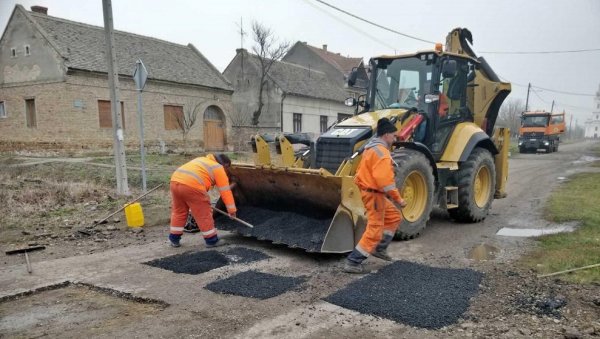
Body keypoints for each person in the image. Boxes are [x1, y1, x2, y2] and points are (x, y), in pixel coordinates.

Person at [344, 118, 407, 274]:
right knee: (375, 229)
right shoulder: (382, 153)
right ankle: (353, 261)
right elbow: (385, 182)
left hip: (370, 192)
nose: (394, 139)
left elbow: (361, 172)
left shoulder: (371, 149)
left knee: (393, 216)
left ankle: (379, 248)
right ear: (386, 135)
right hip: (374, 195)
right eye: (393, 135)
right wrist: (399, 199)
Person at [168, 153, 236, 248]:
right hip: (193, 186)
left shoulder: (201, 160)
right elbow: (225, 192)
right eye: (227, 168)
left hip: (175, 182)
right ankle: (212, 240)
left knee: (179, 211)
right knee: (203, 214)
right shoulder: (218, 168)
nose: (226, 171)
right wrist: (232, 210)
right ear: (224, 165)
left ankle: (174, 239)